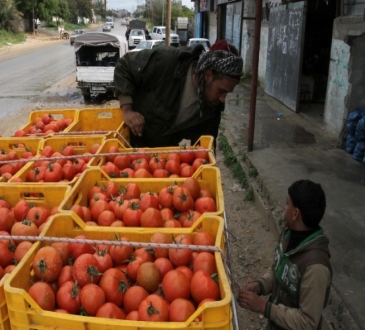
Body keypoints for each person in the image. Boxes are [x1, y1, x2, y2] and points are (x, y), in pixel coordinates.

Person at [238, 180, 332, 330]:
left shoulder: (316, 267)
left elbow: (307, 322)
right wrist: (260, 286)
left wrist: (265, 308)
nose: (284, 207)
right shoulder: (288, 235)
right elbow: (277, 270)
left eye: (287, 203)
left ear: (295, 213)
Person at [113, 39, 243, 147]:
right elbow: (124, 65)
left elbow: (204, 149)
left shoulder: (212, 110)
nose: (222, 99)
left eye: (227, 93)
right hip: (129, 147)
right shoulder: (167, 62)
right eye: (221, 91)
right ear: (208, 75)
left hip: (162, 163)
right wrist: (127, 110)